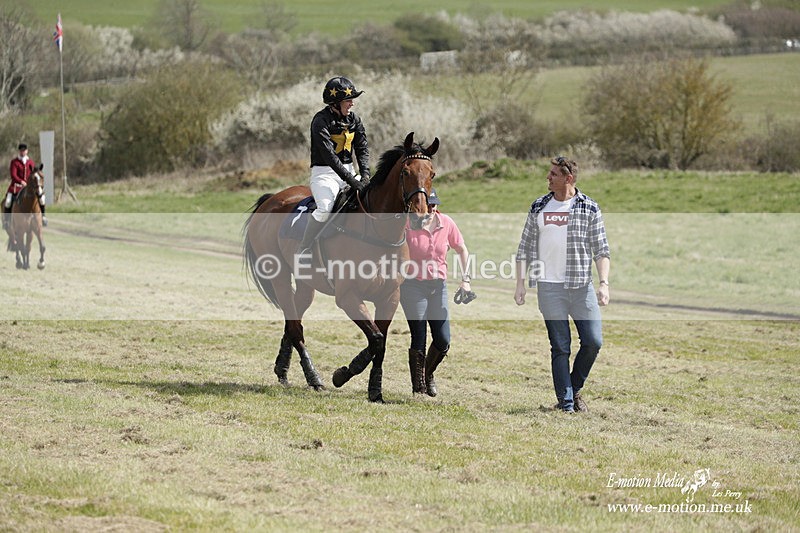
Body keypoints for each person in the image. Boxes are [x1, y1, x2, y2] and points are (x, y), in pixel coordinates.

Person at [514, 156, 610, 413]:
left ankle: (573, 389)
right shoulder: (539, 206)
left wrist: (604, 283)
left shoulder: (589, 208)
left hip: (581, 286)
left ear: (568, 178)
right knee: (560, 346)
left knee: (593, 341)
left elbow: (601, 250)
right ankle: (566, 404)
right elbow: (524, 247)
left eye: (554, 174)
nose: (548, 177)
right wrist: (520, 283)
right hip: (549, 287)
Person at [400, 188, 474, 397]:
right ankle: (418, 390)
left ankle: (427, 374)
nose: (432, 209)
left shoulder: (447, 223)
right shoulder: (407, 224)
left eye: (434, 205)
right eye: (428, 205)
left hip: (438, 286)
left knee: (443, 340)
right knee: (419, 337)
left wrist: (466, 281)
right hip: (412, 286)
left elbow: (462, 250)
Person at [297, 76, 370, 262]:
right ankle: (304, 248)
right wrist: (351, 180)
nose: (352, 103)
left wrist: (365, 175)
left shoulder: (354, 119)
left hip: (349, 171)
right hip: (324, 174)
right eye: (348, 100)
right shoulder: (320, 121)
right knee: (324, 209)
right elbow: (330, 157)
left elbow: (362, 148)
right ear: (335, 103)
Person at [5, 143, 47, 230]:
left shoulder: (30, 162)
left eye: (24, 151)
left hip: (28, 187)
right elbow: (13, 175)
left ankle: (43, 217)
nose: (22, 152)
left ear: (27, 151)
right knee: (8, 201)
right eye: (21, 151)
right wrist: (21, 181)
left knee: (42, 198)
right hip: (16, 187)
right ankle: (7, 221)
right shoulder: (14, 162)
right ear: (19, 151)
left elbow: (33, 174)